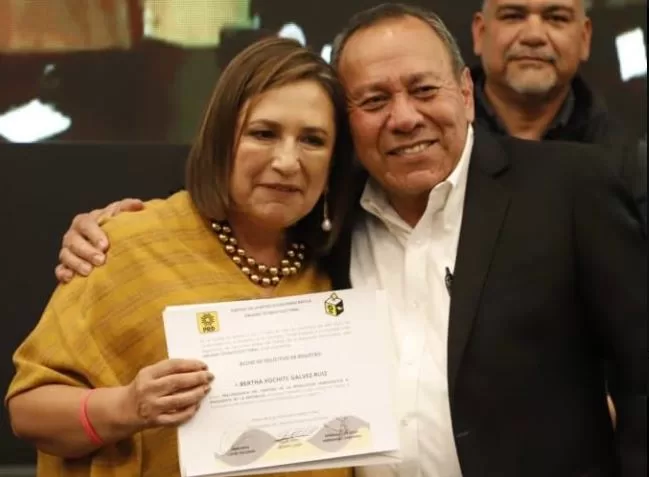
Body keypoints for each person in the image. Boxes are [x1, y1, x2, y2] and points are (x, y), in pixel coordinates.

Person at [49, 3, 647, 477]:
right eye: (375, 100)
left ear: (465, 92)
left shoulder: (574, 188)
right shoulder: (322, 216)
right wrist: (110, 229)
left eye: (424, 90)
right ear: (347, 119)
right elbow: (222, 213)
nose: (404, 117)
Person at [5, 37, 355, 477]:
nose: (287, 161)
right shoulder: (127, 244)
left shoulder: (340, 265)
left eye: (313, 140)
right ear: (220, 139)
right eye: (263, 133)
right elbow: (29, 410)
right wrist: (127, 406)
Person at [471, 0, 647, 223]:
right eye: (513, 16)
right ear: (480, 33)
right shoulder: (439, 143)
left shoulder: (630, 165)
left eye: (556, 18)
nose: (533, 36)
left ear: (584, 37)